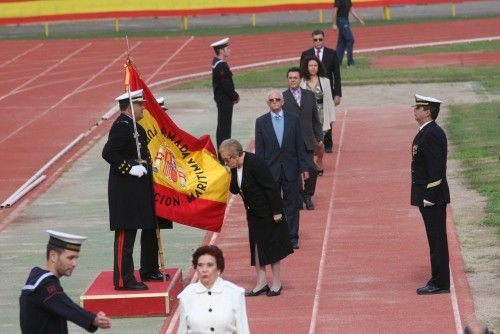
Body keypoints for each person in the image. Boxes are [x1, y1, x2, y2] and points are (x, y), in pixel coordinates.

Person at [102, 89, 171, 291]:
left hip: (135, 190)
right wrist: (129, 168)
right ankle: (124, 280)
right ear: (133, 106)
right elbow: (108, 153)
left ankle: (140, 272)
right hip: (125, 192)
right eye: (142, 105)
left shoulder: (134, 127)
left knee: (140, 229)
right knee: (126, 235)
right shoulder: (122, 126)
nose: (144, 108)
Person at [219, 139, 294, 297]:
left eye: (227, 159)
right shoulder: (234, 168)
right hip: (252, 213)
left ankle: (276, 282)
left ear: (236, 155)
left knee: (271, 246)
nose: (226, 163)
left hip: (267, 212)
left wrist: (277, 211)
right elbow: (234, 189)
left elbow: (270, 187)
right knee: (256, 247)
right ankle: (261, 282)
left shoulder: (255, 163)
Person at [19, 230, 111, 333]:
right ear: (53, 256)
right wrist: (93, 319)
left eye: (76, 258)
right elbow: (67, 307)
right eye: (70, 258)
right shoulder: (44, 286)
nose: (74, 263)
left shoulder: (39, 280)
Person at [255, 90, 309, 249]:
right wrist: (259, 173)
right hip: (270, 171)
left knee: (292, 204)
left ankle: (292, 238)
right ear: (268, 103)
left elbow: (300, 145)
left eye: (277, 99)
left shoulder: (294, 119)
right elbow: (260, 151)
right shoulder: (261, 122)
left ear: (283, 102)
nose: (275, 102)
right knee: (272, 205)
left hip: (291, 169)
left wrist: (304, 167)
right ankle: (275, 237)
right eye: (271, 100)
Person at [411, 94, 451, 295]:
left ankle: (441, 282)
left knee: (437, 240)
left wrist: (429, 195)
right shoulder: (425, 132)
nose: (415, 109)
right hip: (428, 196)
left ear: (428, 111)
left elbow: (437, 169)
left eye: (418, 107)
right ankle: (438, 278)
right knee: (434, 239)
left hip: (432, 197)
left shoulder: (432, 134)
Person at [177, 245, 250, 334]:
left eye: (209, 265)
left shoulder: (235, 293)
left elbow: (243, 330)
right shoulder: (186, 295)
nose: (204, 270)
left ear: (219, 269)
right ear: (196, 269)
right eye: (200, 265)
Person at [282, 67, 323, 210]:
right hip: (290, 142)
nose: (293, 80)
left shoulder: (309, 95)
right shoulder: (282, 97)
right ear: (288, 80)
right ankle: (299, 197)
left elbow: (315, 119)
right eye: (290, 78)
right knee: (294, 172)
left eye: (295, 78)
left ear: (300, 79)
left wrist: (319, 136)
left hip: (307, 140)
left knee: (312, 169)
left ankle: (307, 195)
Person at [300, 29, 342, 153]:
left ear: (324, 39)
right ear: (312, 40)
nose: (318, 42)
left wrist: (338, 94)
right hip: (309, 89)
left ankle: (328, 143)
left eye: (320, 39)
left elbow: (337, 76)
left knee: (326, 116)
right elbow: (302, 73)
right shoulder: (305, 54)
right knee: (310, 118)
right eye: (315, 39)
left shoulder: (332, 54)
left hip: (327, 90)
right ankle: (312, 143)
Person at [300, 56, 336, 174]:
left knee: (319, 143)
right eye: (311, 65)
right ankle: (311, 165)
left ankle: (319, 160)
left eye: (315, 65)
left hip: (321, 115)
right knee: (309, 142)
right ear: (306, 67)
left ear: (318, 67)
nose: (313, 68)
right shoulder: (301, 82)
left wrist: (331, 118)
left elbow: (329, 100)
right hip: (307, 115)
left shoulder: (325, 81)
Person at [211, 37, 239, 161]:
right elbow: (226, 85)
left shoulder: (216, 62)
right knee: (224, 129)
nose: (229, 50)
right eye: (227, 48)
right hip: (225, 101)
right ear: (221, 50)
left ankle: (223, 153)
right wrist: (235, 96)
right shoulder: (221, 66)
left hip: (222, 100)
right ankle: (224, 156)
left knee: (223, 127)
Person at [333, 0, 365, 67]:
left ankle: (337, 62)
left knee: (342, 41)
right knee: (350, 39)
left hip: (346, 20)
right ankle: (350, 62)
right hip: (341, 20)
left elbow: (351, 9)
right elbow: (334, 11)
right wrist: (334, 24)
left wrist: (359, 19)